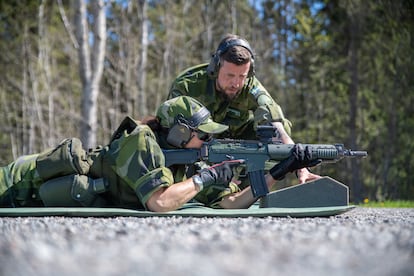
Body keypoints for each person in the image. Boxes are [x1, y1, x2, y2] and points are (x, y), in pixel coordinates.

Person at [0, 96, 317, 212]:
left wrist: (278, 171)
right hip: (17, 184)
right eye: (202, 134)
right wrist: (206, 177)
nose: (208, 140)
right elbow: (160, 202)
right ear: (179, 132)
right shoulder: (140, 140)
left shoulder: (191, 163)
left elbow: (231, 203)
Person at [167, 34, 320, 184]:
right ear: (215, 67)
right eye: (230, 75)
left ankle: (244, 184)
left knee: (275, 130)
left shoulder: (250, 84)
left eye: (242, 76)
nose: (236, 83)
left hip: (237, 143)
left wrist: (299, 163)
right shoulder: (187, 85)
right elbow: (173, 132)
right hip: (197, 147)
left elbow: (274, 119)